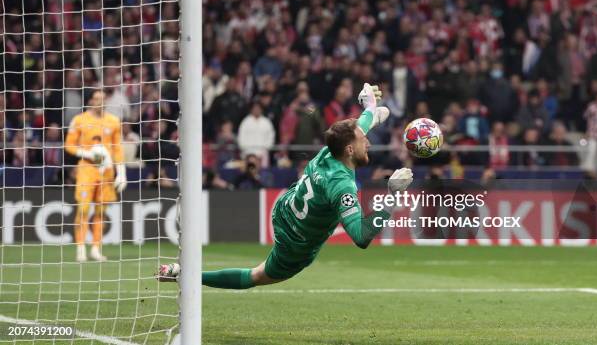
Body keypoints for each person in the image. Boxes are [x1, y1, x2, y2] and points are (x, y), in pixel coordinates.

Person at [157, 84, 410, 288]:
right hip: (296, 243)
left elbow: (356, 127)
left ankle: (181, 274)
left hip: (283, 210)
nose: (368, 140)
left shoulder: (330, 150)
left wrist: (371, 111)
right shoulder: (342, 185)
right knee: (256, 276)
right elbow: (361, 236)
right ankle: (184, 276)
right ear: (350, 149)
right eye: (363, 138)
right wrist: (392, 195)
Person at [64, 89, 127, 262]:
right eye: (97, 98)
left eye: (103, 98)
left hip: (106, 171)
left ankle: (95, 248)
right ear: (90, 101)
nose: (100, 102)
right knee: (83, 209)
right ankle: (80, 248)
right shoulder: (79, 120)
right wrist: (88, 154)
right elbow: (69, 145)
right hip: (87, 169)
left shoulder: (113, 121)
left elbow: (117, 148)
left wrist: (121, 173)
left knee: (100, 212)